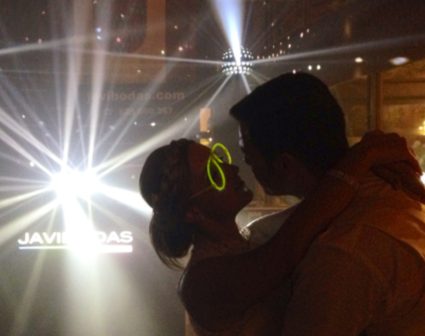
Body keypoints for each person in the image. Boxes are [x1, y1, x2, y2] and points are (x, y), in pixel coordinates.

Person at [139, 73, 425, 335]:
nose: (233, 169)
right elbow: (293, 241)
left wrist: (369, 155)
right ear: (193, 211)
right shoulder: (200, 283)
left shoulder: (268, 234)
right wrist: (364, 155)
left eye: (221, 157)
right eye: (214, 173)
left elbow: (313, 213)